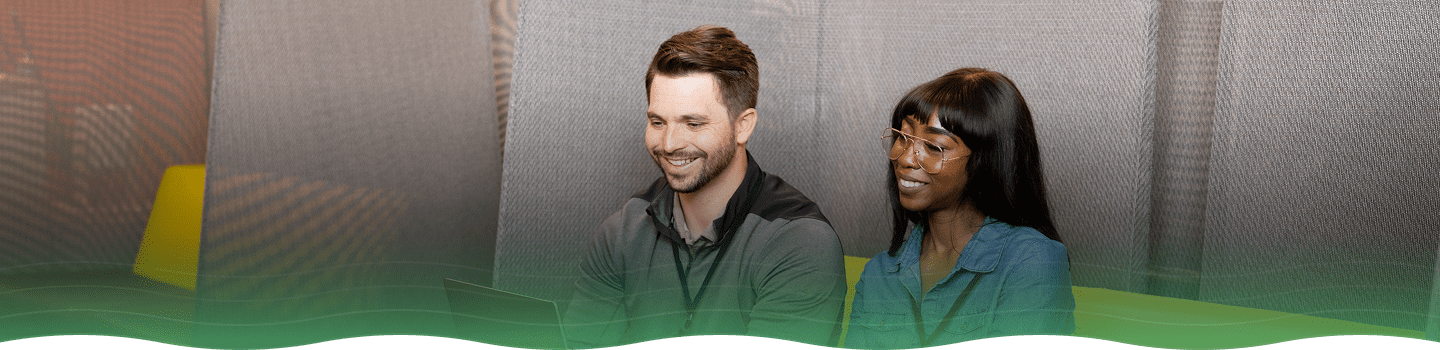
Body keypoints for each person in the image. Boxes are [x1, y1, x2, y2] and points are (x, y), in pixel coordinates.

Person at [563, 25, 847, 348]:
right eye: (657, 122)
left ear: (743, 126)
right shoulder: (622, 233)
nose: (669, 144)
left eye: (693, 123)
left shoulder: (801, 243)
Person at [845, 68, 1075, 348]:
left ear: (985, 160)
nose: (906, 158)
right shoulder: (879, 273)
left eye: (933, 145)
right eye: (903, 138)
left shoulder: (1031, 261)